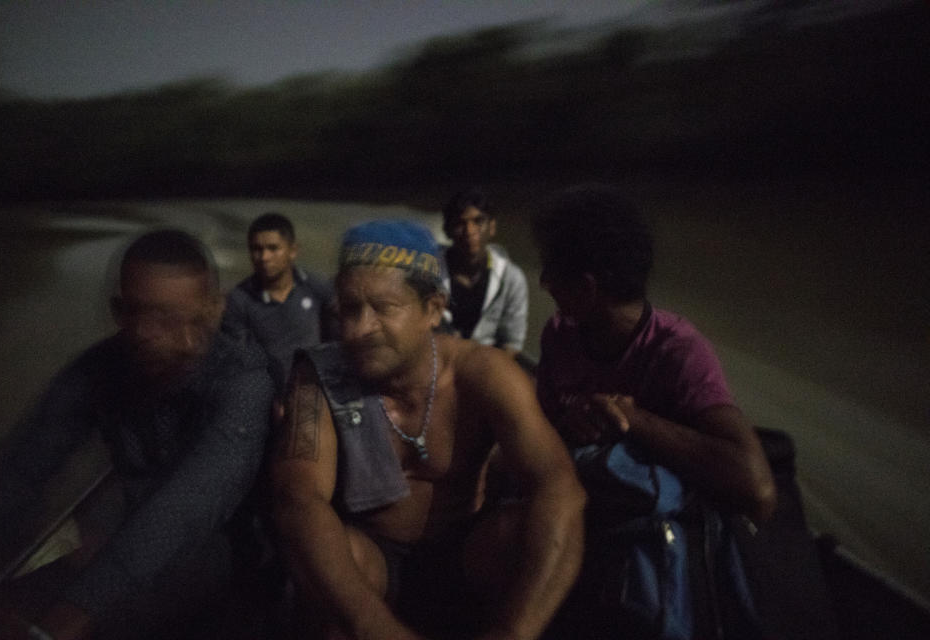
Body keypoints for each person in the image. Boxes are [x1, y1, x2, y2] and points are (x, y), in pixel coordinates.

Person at [270, 220, 586, 640]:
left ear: (433, 310)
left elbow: (559, 487)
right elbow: (300, 501)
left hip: (468, 557)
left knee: (527, 529)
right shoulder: (318, 378)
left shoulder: (484, 374)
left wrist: (514, 632)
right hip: (374, 566)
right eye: (349, 309)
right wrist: (373, 627)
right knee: (326, 559)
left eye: (383, 308)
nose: (359, 329)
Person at [0, 229, 276, 640]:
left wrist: (71, 613)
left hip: (232, 555)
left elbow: (189, 505)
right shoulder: (101, 368)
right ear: (119, 310)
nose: (147, 332)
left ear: (212, 312)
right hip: (132, 542)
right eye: (133, 312)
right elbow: (22, 470)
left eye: (167, 318)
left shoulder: (244, 381)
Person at [532, 185, 778, 639]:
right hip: (581, 523)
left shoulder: (678, 352)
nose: (544, 282)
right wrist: (568, 428)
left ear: (587, 287)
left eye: (554, 272)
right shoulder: (560, 336)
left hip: (649, 550)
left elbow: (757, 488)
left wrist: (635, 420)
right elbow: (542, 433)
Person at [221, 212, 335, 377]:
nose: (264, 257)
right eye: (256, 249)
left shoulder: (315, 286)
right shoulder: (239, 299)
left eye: (273, 248)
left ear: (293, 250)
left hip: (314, 384)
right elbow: (237, 357)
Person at [440, 189, 528, 356]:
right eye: (460, 223)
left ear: (492, 227)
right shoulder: (429, 270)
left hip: (485, 363)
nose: (469, 231)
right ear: (448, 229)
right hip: (439, 358)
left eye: (478, 221)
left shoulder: (511, 278)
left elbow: (512, 342)